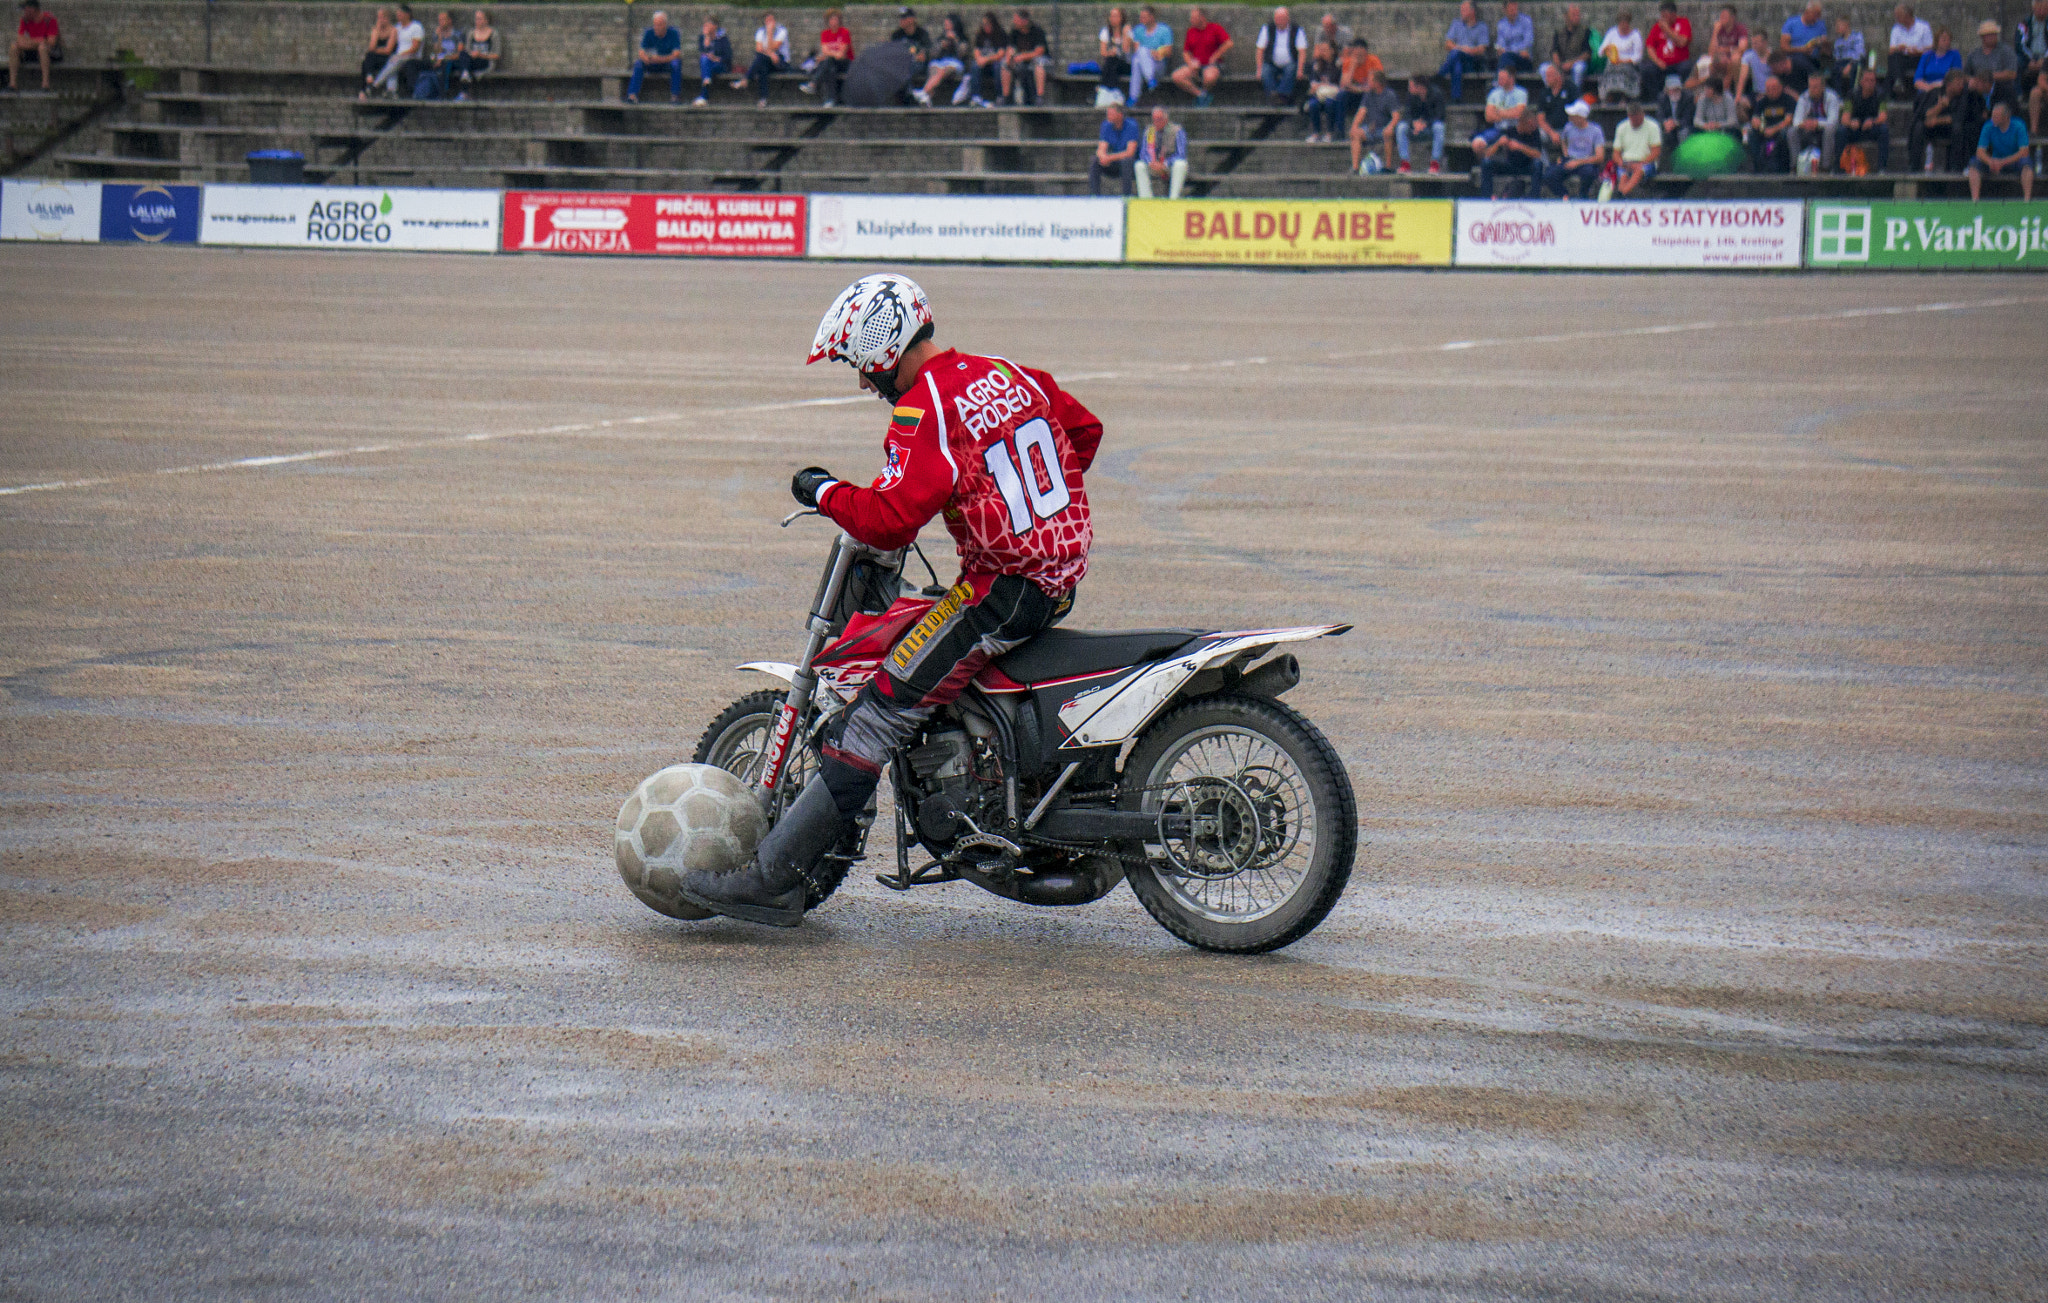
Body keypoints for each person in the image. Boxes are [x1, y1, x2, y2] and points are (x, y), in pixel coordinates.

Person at [683, 275, 1103, 928]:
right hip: (1058, 572)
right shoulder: (1013, 374)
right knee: (928, 630)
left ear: (882, 351)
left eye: (858, 366)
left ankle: (771, 880)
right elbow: (1083, 430)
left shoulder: (924, 405)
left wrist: (821, 491)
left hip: (1002, 589)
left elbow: (891, 520)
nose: (861, 383)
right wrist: (1018, 494)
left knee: (874, 716)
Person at [1969, 96, 2034, 196]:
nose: (1993, 119)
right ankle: (1975, 200)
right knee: (1974, 164)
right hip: (1995, 161)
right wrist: (1990, 161)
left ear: (2006, 117)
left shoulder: (2019, 125)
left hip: (2013, 161)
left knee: (2026, 165)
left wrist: (2003, 162)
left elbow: (2024, 151)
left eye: (1996, 117)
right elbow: (1980, 151)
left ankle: (2027, 199)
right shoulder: (1988, 126)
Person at [1476, 106, 1548, 194]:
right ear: (1523, 123)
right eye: (1530, 125)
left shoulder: (1534, 133)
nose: (1533, 128)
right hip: (1510, 164)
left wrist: (1520, 147)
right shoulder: (1509, 132)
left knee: (1538, 164)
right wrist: (1498, 144)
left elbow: (1538, 154)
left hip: (1526, 166)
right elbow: (1487, 154)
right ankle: (1486, 196)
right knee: (1486, 163)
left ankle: (1534, 196)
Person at [1172, 6, 1232, 104]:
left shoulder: (1215, 28)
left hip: (1212, 65)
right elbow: (1186, 52)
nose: (1191, 20)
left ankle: (1204, 93)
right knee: (1177, 76)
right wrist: (1190, 64)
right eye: (1191, 18)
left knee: (1209, 77)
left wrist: (1216, 56)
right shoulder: (1190, 31)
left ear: (1202, 18)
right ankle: (1200, 94)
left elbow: (1228, 43)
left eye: (1194, 18)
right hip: (1196, 65)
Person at [1908, 67, 1964, 169]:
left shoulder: (1962, 96)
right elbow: (1925, 114)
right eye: (1958, 83)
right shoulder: (1935, 93)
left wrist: (1936, 120)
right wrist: (1939, 107)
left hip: (1948, 128)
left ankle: (1955, 167)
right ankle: (1914, 165)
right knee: (1918, 127)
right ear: (1949, 84)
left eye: (1962, 83)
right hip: (1932, 128)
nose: (1961, 86)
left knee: (1958, 129)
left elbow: (1957, 117)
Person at [1348, 67, 1400, 171]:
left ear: (1377, 82)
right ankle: (1355, 167)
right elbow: (1361, 112)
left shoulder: (1390, 95)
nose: (1367, 82)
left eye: (1369, 80)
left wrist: (1390, 127)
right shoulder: (1368, 95)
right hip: (1370, 128)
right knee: (1356, 133)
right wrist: (1354, 126)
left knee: (1388, 133)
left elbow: (1396, 116)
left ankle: (1388, 166)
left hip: (1384, 128)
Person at [1549, 97, 1606, 193]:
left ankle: (1583, 197)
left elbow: (1600, 157)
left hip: (1586, 161)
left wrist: (1578, 162)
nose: (1570, 117)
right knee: (1549, 175)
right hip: (1570, 159)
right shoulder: (1568, 127)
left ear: (1581, 117)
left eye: (1573, 115)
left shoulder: (1596, 130)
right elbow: (1563, 140)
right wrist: (1565, 155)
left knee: (1589, 174)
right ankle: (1564, 196)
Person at [625, 9, 684, 103]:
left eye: (659, 25)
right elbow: (641, 52)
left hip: (666, 64)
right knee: (638, 64)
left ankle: (675, 96)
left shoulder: (673, 33)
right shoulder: (649, 33)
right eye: (655, 24)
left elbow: (677, 54)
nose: (657, 27)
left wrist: (660, 59)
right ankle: (632, 95)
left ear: (665, 24)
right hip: (652, 63)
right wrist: (645, 58)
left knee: (676, 64)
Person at [1835, 67, 1889, 168]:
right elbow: (1844, 118)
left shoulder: (1880, 94)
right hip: (1855, 128)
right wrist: (1851, 123)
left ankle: (1882, 168)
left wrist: (1872, 122)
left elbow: (1883, 117)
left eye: (1872, 80)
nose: (1870, 83)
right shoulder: (1852, 94)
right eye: (1867, 80)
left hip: (1871, 128)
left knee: (1884, 130)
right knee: (1841, 131)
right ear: (1861, 81)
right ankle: (1838, 167)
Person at [1394, 70, 1447, 172]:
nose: (1409, 89)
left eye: (1411, 86)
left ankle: (1435, 163)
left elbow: (1440, 115)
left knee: (1439, 127)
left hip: (1430, 127)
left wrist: (1424, 123)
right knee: (1401, 127)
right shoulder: (1410, 96)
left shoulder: (1437, 94)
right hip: (1415, 127)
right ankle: (1405, 163)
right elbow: (1407, 114)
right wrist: (1413, 123)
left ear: (1420, 87)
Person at [735, 11, 789, 108]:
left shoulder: (782, 31)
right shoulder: (760, 31)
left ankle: (746, 79)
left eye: (771, 20)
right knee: (762, 67)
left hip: (780, 62)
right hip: (767, 60)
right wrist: (771, 54)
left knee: (761, 59)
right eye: (767, 20)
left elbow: (773, 47)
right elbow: (758, 49)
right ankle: (763, 99)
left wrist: (769, 33)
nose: (769, 23)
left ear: (775, 20)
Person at [1440, 0, 1491, 103]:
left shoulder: (1481, 27)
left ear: (1472, 11)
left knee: (1455, 54)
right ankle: (1456, 99)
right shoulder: (1456, 24)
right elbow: (1447, 44)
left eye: (1464, 10)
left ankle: (1440, 75)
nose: (1461, 12)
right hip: (1458, 59)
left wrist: (1467, 50)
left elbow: (1481, 49)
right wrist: (1461, 49)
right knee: (1457, 65)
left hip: (1472, 61)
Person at [916, 13, 971, 106]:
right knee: (935, 70)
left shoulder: (962, 38)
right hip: (940, 62)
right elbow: (932, 54)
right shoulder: (941, 38)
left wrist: (956, 41)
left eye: (948, 24)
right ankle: (926, 98)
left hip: (954, 64)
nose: (946, 26)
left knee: (941, 71)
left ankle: (924, 91)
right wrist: (941, 46)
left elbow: (963, 54)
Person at [1256, 6, 1307, 104]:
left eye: (1282, 19)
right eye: (1277, 19)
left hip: (1290, 62)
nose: (1279, 21)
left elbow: (1302, 51)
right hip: (1271, 62)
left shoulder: (1297, 30)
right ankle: (1273, 95)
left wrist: (1300, 70)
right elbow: (1260, 50)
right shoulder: (1267, 29)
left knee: (1292, 69)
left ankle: (1281, 95)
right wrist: (1258, 70)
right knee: (1265, 71)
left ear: (1287, 19)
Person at [371, 4, 425, 97]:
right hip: (399, 57)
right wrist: (378, 28)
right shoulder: (397, 27)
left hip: (412, 56)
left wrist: (400, 55)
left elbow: (415, 48)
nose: (398, 17)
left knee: (395, 60)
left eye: (400, 14)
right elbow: (388, 40)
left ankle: (375, 84)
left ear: (407, 15)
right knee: (392, 62)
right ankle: (391, 91)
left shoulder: (416, 27)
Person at [1791, 69, 1840, 168]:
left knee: (1830, 130)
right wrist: (1805, 124)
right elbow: (1796, 121)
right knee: (1791, 131)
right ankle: (1796, 166)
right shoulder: (1804, 97)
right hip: (1807, 129)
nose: (1812, 90)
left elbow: (1833, 121)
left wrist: (1817, 123)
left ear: (1823, 87)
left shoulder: (1832, 97)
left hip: (1824, 130)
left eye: (1815, 87)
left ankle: (1826, 167)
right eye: (1810, 87)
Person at [1611, 98, 1662, 192]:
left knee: (1639, 171)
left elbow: (1656, 152)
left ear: (1642, 114)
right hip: (1626, 162)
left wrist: (1640, 163)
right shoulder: (1621, 127)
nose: (1635, 120)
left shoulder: (1653, 126)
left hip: (1646, 162)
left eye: (1637, 117)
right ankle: (1623, 191)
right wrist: (1622, 163)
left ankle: (1624, 192)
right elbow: (1616, 153)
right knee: (1623, 175)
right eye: (1632, 118)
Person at [1963, 18, 2018, 106]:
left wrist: (1987, 78)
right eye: (1989, 35)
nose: (1993, 37)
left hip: (2000, 90)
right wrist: (1974, 80)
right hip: (1978, 91)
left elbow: (2012, 73)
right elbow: (1965, 74)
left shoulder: (2006, 51)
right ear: (1982, 37)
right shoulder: (1974, 55)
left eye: (1994, 34)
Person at [1747, 71, 1796, 168]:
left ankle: (1781, 166)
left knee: (1785, 133)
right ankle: (1758, 166)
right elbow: (1755, 119)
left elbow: (1789, 120)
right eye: (1768, 89)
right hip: (1765, 130)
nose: (1770, 91)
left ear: (1780, 88)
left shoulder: (1788, 100)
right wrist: (1761, 127)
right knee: (1751, 134)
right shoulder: (1762, 102)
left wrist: (1773, 130)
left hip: (1781, 130)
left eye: (1773, 89)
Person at [1090, 100, 1141, 193]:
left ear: (1120, 115)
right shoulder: (1106, 125)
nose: (1108, 116)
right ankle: (1094, 195)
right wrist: (1103, 157)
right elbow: (1101, 148)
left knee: (1127, 162)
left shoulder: (1132, 126)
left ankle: (1126, 196)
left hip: (1129, 162)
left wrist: (1110, 158)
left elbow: (1130, 152)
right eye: (1108, 114)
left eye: (1111, 114)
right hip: (1113, 161)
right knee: (1095, 160)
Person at [1138, 104, 1189, 195]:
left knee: (1181, 164)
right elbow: (1143, 153)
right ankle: (1146, 199)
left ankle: (1174, 199)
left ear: (1166, 119)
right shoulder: (1150, 131)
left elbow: (1181, 154)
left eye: (1159, 119)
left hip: (1169, 166)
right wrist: (1151, 162)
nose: (1156, 122)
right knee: (1139, 165)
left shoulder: (1177, 130)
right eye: (1154, 119)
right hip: (1153, 164)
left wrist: (1165, 164)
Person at [1002, 8, 1049, 105]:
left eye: (1016, 19)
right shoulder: (1014, 32)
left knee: (1039, 63)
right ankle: (1006, 97)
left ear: (1024, 21)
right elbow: (1010, 48)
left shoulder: (1037, 30)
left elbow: (1039, 51)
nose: (1014, 21)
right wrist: (1009, 58)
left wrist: (1022, 56)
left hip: (1039, 61)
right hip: (1020, 62)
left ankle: (1040, 97)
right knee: (1004, 65)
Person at [1129, 5, 1173, 104]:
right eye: (1140, 17)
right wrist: (1149, 52)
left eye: (1144, 17)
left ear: (1152, 17)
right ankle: (1150, 80)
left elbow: (1169, 51)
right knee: (1137, 59)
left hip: (1158, 64)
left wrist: (1157, 53)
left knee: (1139, 57)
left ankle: (1133, 97)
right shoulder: (1138, 30)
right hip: (1143, 63)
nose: (1141, 19)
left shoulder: (1164, 30)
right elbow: (1137, 51)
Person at [9, 0, 56, 92]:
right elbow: (19, 40)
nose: (24, 12)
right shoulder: (24, 20)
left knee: (42, 48)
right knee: (14, 47)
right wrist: (39, 41)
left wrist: (30, 42)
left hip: (48, 52)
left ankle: (45, 84)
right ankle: (12, 84)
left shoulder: (49, 19)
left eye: (25, 9)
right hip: (32, 50)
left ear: (33, 10)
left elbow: (51, 42)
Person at [1335, 35, 1382, 127]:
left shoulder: (1373, 60)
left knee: (1367, 95)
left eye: (1361, 54)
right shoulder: (1348, 62)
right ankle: (1339, 130)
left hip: (1369, 94)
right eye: (1356, 54)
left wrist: (1358, 88)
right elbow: (1344, 84)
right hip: (1354, 93)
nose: (1359, 57)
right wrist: (1352, 67)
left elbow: (1375, 84)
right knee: (1341, 96)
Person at [1645, 0, 1693, 90]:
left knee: (1687, 67)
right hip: (1662, 62)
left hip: (1679, 62)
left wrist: (1667, 30)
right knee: (1647, 68)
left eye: (1665, 15)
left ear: (1673, 14)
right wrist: (1657, 61)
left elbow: (1682, 42)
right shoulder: (1657, 26)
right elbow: (1650, 46)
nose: (1663, 18)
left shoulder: (1683, 22)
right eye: (1662, 15)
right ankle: (1655, 98)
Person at [1779, 1, 1830, 85]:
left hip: (1814, 59)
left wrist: (1823, 44)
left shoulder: (1820, 25)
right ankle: (1817, 82)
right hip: (1795, 57)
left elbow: (1825, 48)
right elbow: (1784, 47)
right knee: (1800, 60)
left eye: (1819, 15)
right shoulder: (1791, 23)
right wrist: (1801, 50)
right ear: (1807, 12)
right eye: (1815, 15)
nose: (1817, 18)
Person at [810, 8, 854, 106]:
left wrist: (829, 54)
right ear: (828, 21)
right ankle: (831, 100)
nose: (833, 22)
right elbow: (825, 51)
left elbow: (841, 55)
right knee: (830, 69)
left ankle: (814, 83)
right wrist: (832, 53)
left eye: (835, 19)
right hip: (832, 63)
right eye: (831, 19)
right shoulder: (825, 34)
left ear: (839, 21)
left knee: (828, 61)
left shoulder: (844, 32)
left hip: (845, 63)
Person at [1598, 10, 1645, 101]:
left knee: (1622, 69)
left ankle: (1624, 96)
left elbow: (1637, 56)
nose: (1623, 26)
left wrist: (1623, 61)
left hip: (1629, 64)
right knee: (1609, 69)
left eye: (1625, 23)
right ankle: (1608, 95)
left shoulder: (1635, 35)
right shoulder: (1612, 33)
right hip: (1613, 62)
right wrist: (1607, 49)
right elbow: (1600, 52)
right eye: (1621, 23)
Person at [2019, 0, 2048, 145]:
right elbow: (2020, 44)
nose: (2042, 10)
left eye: (2045, 7)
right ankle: (2034, 130)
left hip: (2045, 58)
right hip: (2031, 61)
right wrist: (2031, 60)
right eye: (2040, 7)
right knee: (2035, 93)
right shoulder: (2025, 24)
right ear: (2034, 8)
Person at [413, 10, 459, 99]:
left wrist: (442, 58)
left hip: (452, 60)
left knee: (443, 65)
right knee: (413, 63)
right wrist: (439, 38)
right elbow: (437, 52)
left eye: (443, 20)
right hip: (439, 59)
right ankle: (417, 92)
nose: (440, 22)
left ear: (449, 21)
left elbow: (459, 54)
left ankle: (442, 94)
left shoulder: (457, 35)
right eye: (439, 20)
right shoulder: (437, 34)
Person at [1888, 4, 1932, 95]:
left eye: (1898, 16)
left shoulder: (1923, 27)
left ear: (1906, 15)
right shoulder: (1896, 29)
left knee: (1925, 58)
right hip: (1903, 58)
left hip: (1919, 58)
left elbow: (1930, 48)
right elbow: (1891, 50)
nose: (1896, 18)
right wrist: (1898, 47)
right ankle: (1898, 82)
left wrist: (1918, 51)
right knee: (1893, 57)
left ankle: (1891, 92)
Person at [1304, 40, 1343, 139]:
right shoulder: (1317, 64)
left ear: (1332, 50)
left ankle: (1330, 133)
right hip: (1319, 94)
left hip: (1333, 95)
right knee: (1313, 104)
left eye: (1325, 50)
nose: (1322, 52)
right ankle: (1316, 133)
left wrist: (1323, 84)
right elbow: (1313, 82)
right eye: (1321, 50)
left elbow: (1339, 83)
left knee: (1330, 103)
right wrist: (1319, 85)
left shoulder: (1339, 64)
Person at [1547, 2, 1593, 84]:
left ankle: (1575, 93)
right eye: (1573, 15)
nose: (1577, 17)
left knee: (1578, 69)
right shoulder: (1559, 32)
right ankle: (1552, 93)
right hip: (1562, 64)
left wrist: (1571, 63)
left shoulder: (1585, 31)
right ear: (1566, 16)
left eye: (1578, 15)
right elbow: (1554, 50)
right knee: (1544, 69)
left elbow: (1587, 54)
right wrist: (1558, 63)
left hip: (1577, 63)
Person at [966, 10, 1005, 105]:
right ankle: (976, 96)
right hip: (983, 64)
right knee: (975, 66)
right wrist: (979, 59)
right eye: (983, 24)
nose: (985, 26)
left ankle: (1000, 96)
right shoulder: (980, 35)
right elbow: (976, 51)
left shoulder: (1000, 34)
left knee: (998, 67)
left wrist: (986, 59)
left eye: (987, 24)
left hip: (994, 62)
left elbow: (1000, 54)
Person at [358, 8, 397, 101]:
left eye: (382, 18)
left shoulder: (393, 30)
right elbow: (371, 47)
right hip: (374, 58)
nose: (380, 20)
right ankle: (369, 78)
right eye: (379, 18)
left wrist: (377, 50)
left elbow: (388, 50)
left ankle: (364, 90)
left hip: (387, 59)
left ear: (387, 19)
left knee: (368, 58)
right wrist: (377, 31)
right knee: (367, 60)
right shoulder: (376, 30)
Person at [1095, 6, 1132, 102]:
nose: (1113, 19)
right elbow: (1103, 52)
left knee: (1111, 64)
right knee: (1111, 62)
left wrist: (1125, 34)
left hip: (1126, 64)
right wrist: (1110, 52)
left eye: (1115, 16)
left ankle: (1101, 89)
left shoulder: (1127, 31)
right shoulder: (1106, 31)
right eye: (1111, 16)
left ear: (1122, 18)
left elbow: (1126, 50)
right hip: (1112, 64)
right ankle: (1113, 93)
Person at [693, 17, 732, 105]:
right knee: (704, 59)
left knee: (707, 70)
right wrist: (707, 37)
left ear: (715, 26)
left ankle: (703, 96)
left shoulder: (722, 38)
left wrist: (717, 59)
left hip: (720, 65)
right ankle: (706, 81)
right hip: (708, 64)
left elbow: (728, 56)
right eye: (705, 25)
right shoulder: (702, 37)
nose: (705, 27)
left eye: (708, 25)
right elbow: (703, 51)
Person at [891, 6, 933, 88]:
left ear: (912, 19)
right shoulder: (897, 35)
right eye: (901, 18)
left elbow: (927, 51)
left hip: (917, 65)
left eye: (904, 18)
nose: (901, 21)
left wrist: (922, 54)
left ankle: (908, 95)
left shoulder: (922, 34)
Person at [1913, 25, 1959, 93]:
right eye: (1944, 40)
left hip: (1944, 89)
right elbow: (1917, 79)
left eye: (1949, 40)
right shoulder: (1926, 56)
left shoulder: (1954, 55)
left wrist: (1935, 86)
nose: (1947, 42)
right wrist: (1927, 87)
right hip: (1926, 90)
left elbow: (1956, 77)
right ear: (1937, 41)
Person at [1694, 73, 1740, 137]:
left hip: (1725, 129)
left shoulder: (1728, 99)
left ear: (1715, 89)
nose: (1705, 91)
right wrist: (1705, 125)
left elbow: (1732, 120)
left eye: (1708, 89)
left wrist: (1718, 125)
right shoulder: (1702, 99)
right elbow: (1697, 120)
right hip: (1708, 129)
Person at [1496, 0, 1536, 73]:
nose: (1514, 12)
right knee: (1505, 58)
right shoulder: (1501, 25)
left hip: (1523, 60)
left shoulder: (1526, 21)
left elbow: (1527, 44)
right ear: (1505, 10)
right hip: (1508, 58)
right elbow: (1500, 46)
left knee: (1505, 58)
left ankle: (1498, 81)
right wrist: (1514, 51)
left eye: (1515, 9)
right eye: (1511, 10)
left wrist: (1509, 51)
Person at [1828, 15, 1864, 92]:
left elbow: (1859, 53)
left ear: (1846, 25)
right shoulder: (1838, 41)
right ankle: (1838, 97)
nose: (1836, 28)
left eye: (1838, 26)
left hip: (1854, 61)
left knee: (1855, 70)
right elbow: (1836, 56)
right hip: (1842, 62)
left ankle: (1853, 94)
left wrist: (1850, 65)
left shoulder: (1857, 36)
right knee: (1834, 70)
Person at [1656, 71, 1694, 142]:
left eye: (1677, 89)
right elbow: (1660, 115)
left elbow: (1688, 117)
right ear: (1667, 91)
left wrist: (1675, 123)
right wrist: (1666, 123)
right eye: (1672, 90)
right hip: (1668, 125)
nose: (1675, 92)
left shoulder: (1688, 97)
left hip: (1682, 125)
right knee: (1660, 132)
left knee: (1684, 133)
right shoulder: (1662, 98)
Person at [1738, 28, 1773, 99]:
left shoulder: (1773, 56)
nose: (1754, 46)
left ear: (1765, 42)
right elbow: (1743, 77)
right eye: (1752, 43)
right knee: (1742, 104)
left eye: (1756, 43)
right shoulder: (1748, 55)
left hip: (1771, 94)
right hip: (1756, 93)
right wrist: (1738, 96)